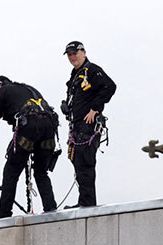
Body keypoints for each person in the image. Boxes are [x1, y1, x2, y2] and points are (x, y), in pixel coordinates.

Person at [0, 75, 59, 215]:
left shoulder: (2, 91)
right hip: (49, 128)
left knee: (11, 171)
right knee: (41, 171)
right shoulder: (28, 88)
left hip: (29, 128)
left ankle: (4, 213)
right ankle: (50, 208)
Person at [62, 40, 116, 208]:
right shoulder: (75, 75)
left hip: (88, 126)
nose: (72, 57)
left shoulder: (92, 70)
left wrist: (95, 109)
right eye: (69, 55)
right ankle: (84, 201)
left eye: (75, 53)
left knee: (85, 163)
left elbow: (109, 86)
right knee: (78, 162)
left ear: (83, 52)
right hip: (77, 126)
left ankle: (88, 203)